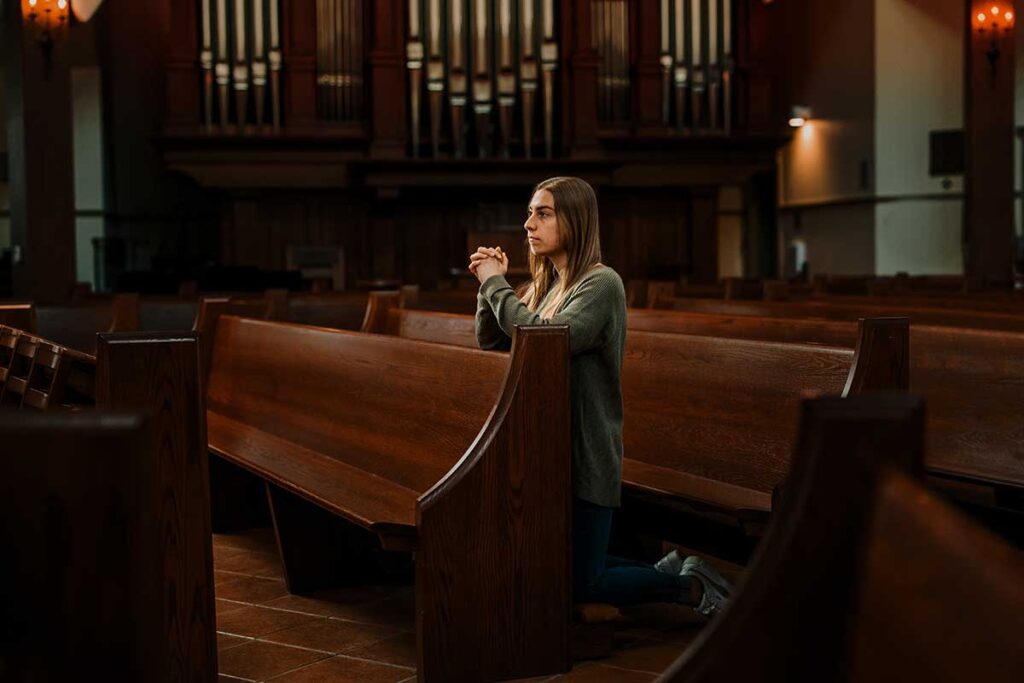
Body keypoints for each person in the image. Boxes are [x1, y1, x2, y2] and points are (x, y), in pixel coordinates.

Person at [469, 176, 731, 615]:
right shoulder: (547, 285)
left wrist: (495, 284)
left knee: (581, 582)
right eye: (530, 212)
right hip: (547, 449)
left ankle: (688, 588)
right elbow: (491, 340)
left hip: (585, 450)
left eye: (543, 213)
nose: (528, 223)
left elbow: (544, 339)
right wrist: (487, 284)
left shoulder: (602, 284)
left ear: (576, 219)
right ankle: (662, 570)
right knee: (557, 564)